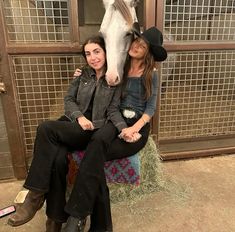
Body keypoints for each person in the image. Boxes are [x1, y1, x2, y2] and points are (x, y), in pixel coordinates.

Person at [7, 35, 125, 232]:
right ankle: (55, 219)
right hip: (74, 124)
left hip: (90, 131)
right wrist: (79, 116)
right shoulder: (83, 75)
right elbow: (69, 100)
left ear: (106, 52)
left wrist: (123, 129)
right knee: (59, 158)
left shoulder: (114, 79)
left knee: (45, 127)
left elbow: (113, 110)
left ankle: (34, 195)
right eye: (88, 54)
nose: (93, 57)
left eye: (97, 52)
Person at [62, 26, 168, 232]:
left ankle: (77, 218)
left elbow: (151, 107)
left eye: (143, 45)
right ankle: (93, 222)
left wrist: (133, 130)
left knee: (93, 156)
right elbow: (99, 75)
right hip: (116, 119)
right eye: (136, 41)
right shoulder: (119, 66)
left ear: (148, 52)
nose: (136, 45)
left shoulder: (151, 74)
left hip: (137, 127)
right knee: (98, 145)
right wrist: (81, 72)